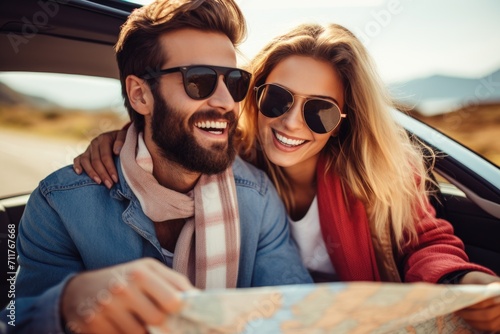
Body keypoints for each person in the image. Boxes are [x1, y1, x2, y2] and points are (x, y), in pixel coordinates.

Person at [76, 23, 500, 331]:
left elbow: (427, 241)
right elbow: (170, 137)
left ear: (343, 122)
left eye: (319, 111)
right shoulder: (228, 164)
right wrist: (124, 139)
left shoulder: (381, 173)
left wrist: (463, 280)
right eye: (278, 99)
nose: (293, 124)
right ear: (253, 93)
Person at [5, 1, 313, 333]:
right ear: (140, 95)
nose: (226, 102)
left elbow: (298, 315)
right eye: (200, 80)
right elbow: (16, 322)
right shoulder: (60, 206)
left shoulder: (259, 198)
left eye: (235, 82)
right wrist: (66, 305)